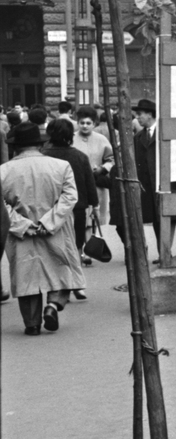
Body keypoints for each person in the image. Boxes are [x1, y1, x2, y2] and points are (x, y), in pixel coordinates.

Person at [2, 122, 79, 335]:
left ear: (15, 147)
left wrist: (23, 225)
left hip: (21, 232)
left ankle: (32, 323)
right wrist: (49, 222)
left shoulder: (4, 171)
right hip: (55, 227)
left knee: (26, 275)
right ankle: (53, 305)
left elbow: (1, 206)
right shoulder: (61, 166)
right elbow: (70, 196)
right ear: (39, 143)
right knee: (60, 267)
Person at [45, 118, 94, 298]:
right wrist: (93, 204)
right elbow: (89, 183)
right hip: (77, 207)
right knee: (76, 245)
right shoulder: (79, 156)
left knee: (53, 248)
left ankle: (57, 286)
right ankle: (76, 283)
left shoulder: (43, 155)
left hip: (49, 209)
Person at [110, 98, 159, 252]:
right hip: (144, 185)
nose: (137, 118)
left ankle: (164, 252)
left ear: (150, 114)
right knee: (148, 218)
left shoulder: (163, 134)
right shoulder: (138, 138)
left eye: (140, 114)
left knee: (161, 219)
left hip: (159, 183)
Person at [74, 106, 114, 222]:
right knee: (78, 219)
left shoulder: (101, 139)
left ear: (94, 123)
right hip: (76, 185)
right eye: (82, 123)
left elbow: (111, 159)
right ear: (77, 123)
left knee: (94, 219)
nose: (85, 126)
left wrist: (103, 169)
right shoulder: (70, 139)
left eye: (88, 123)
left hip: (97, 185)